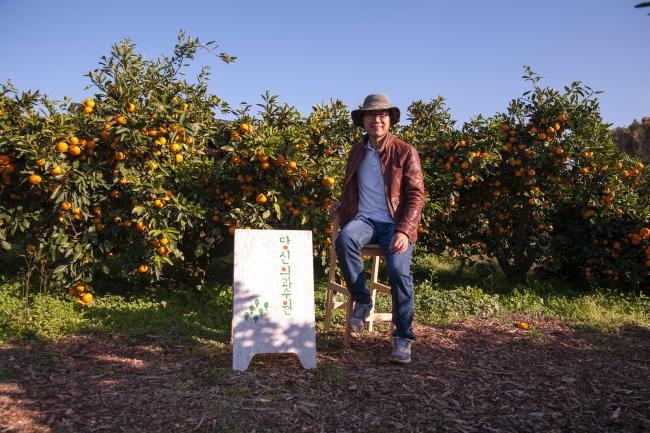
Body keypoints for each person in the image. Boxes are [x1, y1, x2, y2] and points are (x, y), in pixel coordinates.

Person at [332, 94, 425, 364]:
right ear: (363, 121)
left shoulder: (405, 151)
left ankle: (403, 337)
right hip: (364, 220)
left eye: (383, 115)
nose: (377, 120)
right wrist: (343, 206)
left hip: (395, 224)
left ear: (390, 120)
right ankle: (363, 301)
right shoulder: (356, 152)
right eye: (371, 115)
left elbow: (417, 195)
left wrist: (405, 231)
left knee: (398, 271)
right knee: (345, 239)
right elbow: (352, 188)